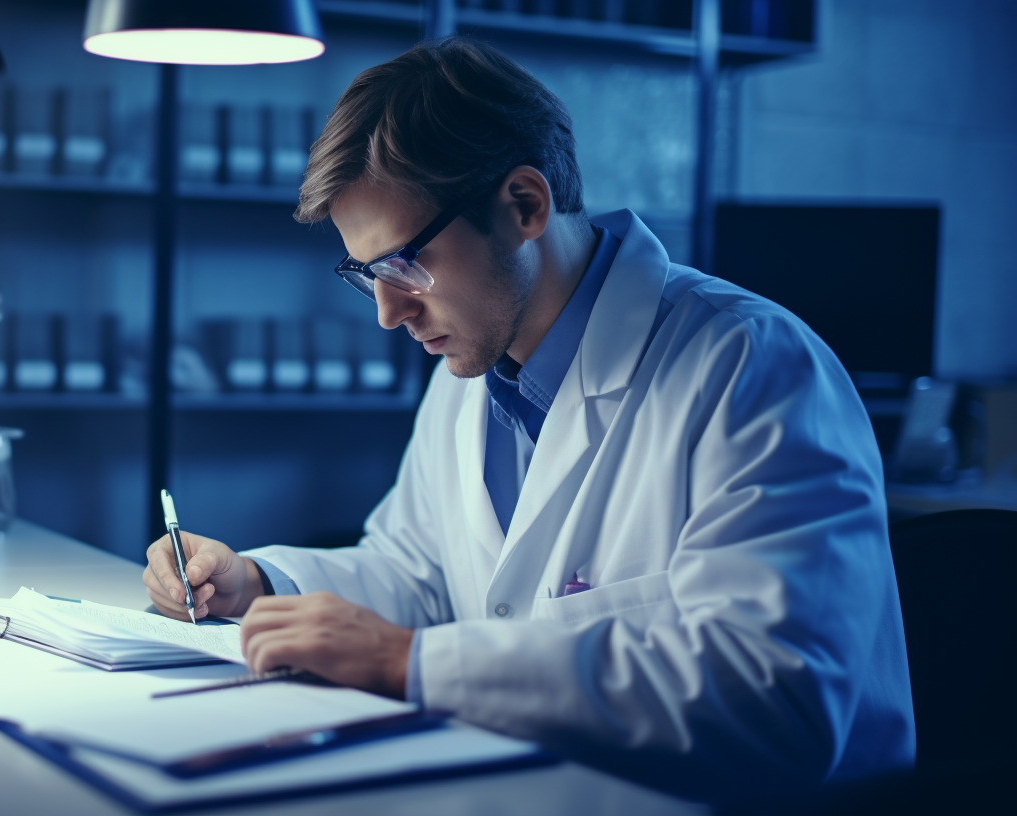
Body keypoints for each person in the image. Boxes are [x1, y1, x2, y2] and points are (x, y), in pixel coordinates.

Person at [142, 37, 914, 800]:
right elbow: (418, 574)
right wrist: (256, 583)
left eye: (405, 264)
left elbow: (779, 698)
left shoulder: (752, 366)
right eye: (368, 273)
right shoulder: (468, 370)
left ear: (524, 205)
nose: (387, 313)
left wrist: (412, 665)